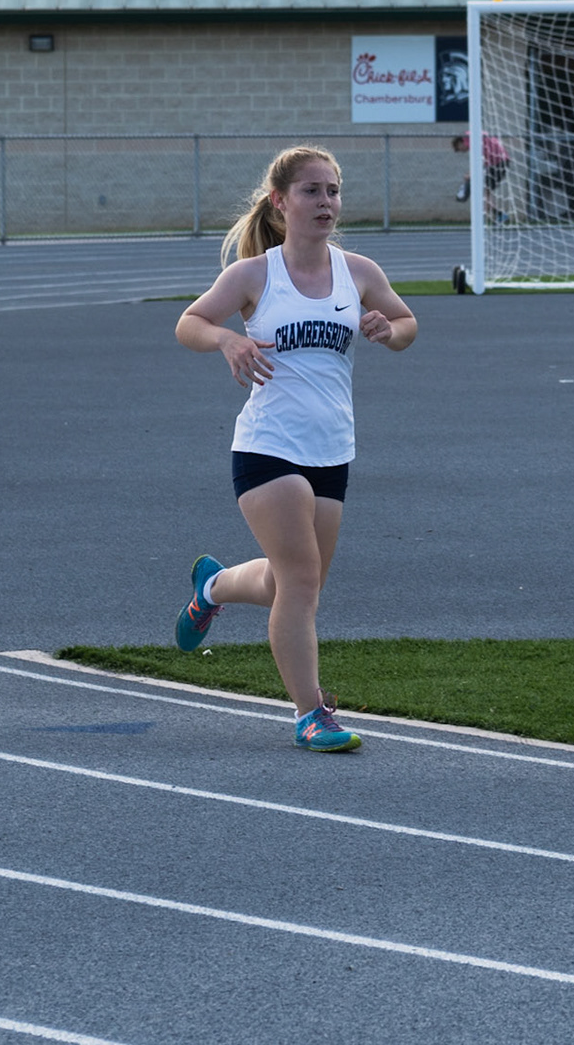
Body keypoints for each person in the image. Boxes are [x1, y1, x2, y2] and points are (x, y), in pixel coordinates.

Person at [174, 145, 418, 752]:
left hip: (332, 451)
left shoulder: (358, 272)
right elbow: (190, 323)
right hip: (267, 449)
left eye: (333, 190)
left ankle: (213, 587)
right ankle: (311, 714)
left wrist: (389, 330)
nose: (326, 202)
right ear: (280, 202)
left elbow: (407, 325)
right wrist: (228, 341)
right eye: (312, 191)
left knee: (291, 586)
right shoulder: (254, 275)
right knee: (302, 581)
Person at [451, 131, 512, 220]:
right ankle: (497, 214)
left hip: (498, 163)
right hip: (499, 161)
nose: (462, 151)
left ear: (460, 142)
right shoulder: (472, 137)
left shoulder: (469, 139)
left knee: (486, 192)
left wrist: (470, 175)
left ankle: (486, 218)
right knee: (486, 191)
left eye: (459, 148)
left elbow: (477, 161)